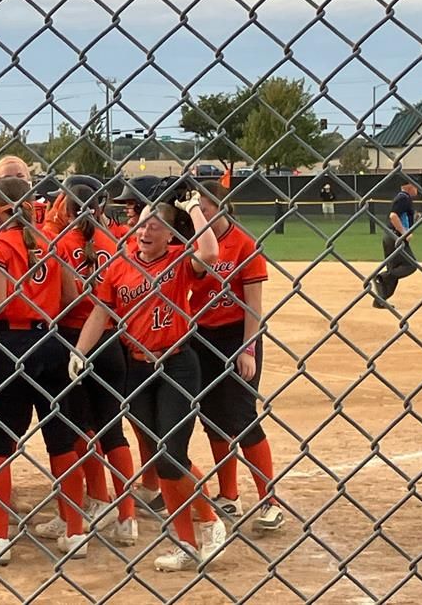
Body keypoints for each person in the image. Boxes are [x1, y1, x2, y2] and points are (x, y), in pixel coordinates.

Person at [72, 194, 226, 572]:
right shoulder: (121, 266)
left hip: (177, 364)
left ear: (170, 234)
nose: (145, 230)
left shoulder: (178, 261)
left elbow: (208, 253)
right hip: (138, 368)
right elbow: (101, 312)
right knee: (162, 457)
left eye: (155, 225)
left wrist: (190, 207)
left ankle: (210, 523)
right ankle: (185, 543)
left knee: (172, 452)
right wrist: (80, 351)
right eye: (142, 224)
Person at [0, 177, 87, 563]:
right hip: (51, 340)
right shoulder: (50, 240)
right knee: (61, 439)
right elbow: (69, 296)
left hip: (11, 342)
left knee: (0, 442)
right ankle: (76, 532)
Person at [37, 179, 138, 547]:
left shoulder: (60, 243)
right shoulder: (117, 242)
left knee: (77, 431)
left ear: (66, 205)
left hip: (73, 341)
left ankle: (74, 514)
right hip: (111, 340)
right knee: (113, 430)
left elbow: (63, 298)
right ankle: (126, 518)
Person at [191, 181, 283, 533]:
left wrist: (247, 349)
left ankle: (269, 500)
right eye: (197, 205)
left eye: (206, 205)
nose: (200, 211)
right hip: (202, 335)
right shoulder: (196, 243)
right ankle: (228, 493)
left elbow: (253, 305)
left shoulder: (245, 244)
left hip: (235, 336)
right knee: (212, 416)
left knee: (242, 415)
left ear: (223, 208)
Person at [373, 182, 420, 308]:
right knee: (410, 265)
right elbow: (393, 216)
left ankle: (380, 300)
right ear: (410, 186)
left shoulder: (404, 198)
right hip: (396, 238)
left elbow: (400, 216)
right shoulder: (404, 197)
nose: (418, 189)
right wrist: (404, 233)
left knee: (395, 269)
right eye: (416, 186)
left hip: (393, 237)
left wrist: (413, 219)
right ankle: (381, 277)